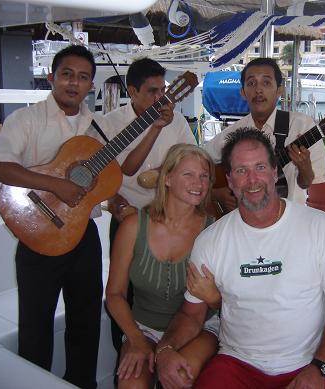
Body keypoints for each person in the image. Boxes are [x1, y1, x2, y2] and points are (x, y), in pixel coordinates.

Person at [156, 128, 325, 389]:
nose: (252, 180)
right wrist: (164, 350)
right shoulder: (211, 240)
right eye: (241, 170)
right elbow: (192, 316)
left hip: (305, 365)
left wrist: (321, 367)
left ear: (275, 172)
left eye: (260, 167)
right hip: (237, 363)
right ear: (229, 180)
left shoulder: (318, 227)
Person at [0, 45, 117, 389]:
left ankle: (81, 383)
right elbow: (0, 167)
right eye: (66, 74)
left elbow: (108, 175)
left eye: (82, 77)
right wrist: (54, 185)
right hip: (37, 233)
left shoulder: (99, 128)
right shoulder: (26, 119)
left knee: (86, 321)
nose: (73, 83)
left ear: (91, 84)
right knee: (35, 326)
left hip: (83, 235)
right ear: (51, 77)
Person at [103, 56, 196, 370]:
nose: (161, 99)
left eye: (164, 91)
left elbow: (191, 161)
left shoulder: (178, 121)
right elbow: (121, 172)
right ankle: (129, 349)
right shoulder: (109, 124)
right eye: (152, 91)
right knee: (124, 293)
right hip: (128, 219)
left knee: (174, 291)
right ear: (132, 91)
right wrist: (155, 129)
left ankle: (168, 348)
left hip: (169, 220)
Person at [106, 143, 219, 389]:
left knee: (180, 377)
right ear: (167, 178)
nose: (198, 183)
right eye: (188, 174)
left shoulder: (214, 230)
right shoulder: (133, 226)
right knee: (131, 384)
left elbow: (226, 300)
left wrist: (214, 297)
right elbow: (114, 294)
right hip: (144, 328)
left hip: (199, 328)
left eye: (204, 176)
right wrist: (136, 339)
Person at [203, 57, 325, 212]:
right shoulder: (233, 134)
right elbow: (198, 160)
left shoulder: (302, 126)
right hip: (242, 221)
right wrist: (214, 194)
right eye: (251, 83)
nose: (258, 90)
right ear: (243, 92)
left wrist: (304, 167)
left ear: (279, 90)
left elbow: (306, 183)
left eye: (266, 82)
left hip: (291, 220)